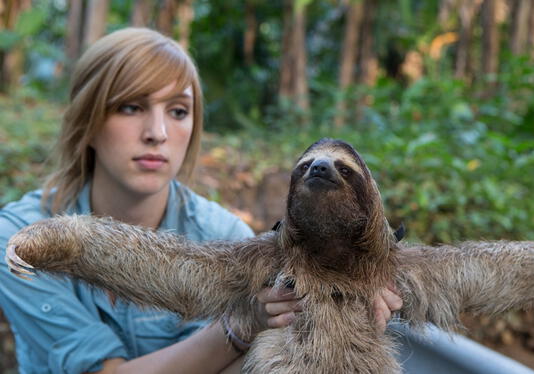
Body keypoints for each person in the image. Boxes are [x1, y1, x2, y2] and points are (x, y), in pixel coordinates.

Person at [0, 27, 402, 374]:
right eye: (130, 107)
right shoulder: (20, 237)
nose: (157, 132)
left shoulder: (222, 233)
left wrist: (358, 288)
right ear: (87, 121)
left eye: (178, 111)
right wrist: (240, 326)